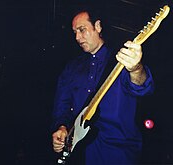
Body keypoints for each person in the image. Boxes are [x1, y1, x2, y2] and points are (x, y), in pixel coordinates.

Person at [52, 7, 154, 165]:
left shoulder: (120, 59)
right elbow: (62, 104)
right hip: (80, 154)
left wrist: (135, 68)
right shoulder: (71, 68)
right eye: (74, 33)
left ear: (98, 26)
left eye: (82, 30)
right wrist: (62, 127)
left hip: (118, 152)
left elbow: (143, 87)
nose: (77, 37)